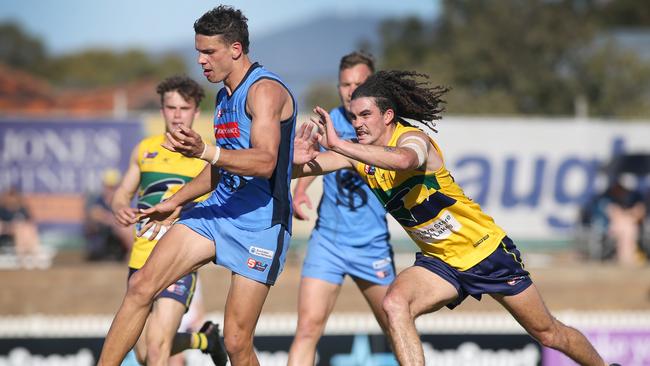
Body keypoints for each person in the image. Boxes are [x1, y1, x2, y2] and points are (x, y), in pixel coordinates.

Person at [293, 70, 612, 365]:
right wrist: (293, 159)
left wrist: (339, 144)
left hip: (484, 252)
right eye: (353, 116)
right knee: (394, 305)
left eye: (365, 115)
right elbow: (305, 167)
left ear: (388, 116)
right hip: (440, 262)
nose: (358, 123)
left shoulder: (412, 139)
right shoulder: (356, 154)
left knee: (548, 333)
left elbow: (404, 160)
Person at [98, 5, 296, 366]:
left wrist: (206, 149)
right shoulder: (223, 97)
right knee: (141, 286)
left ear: (235, 49)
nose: (201, 61)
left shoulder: (264, 91)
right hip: (217, 212)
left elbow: (265, 162)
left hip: (261, 224)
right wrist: (175, 201)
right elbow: (224, 168)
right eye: (198, 52)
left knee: (237, 342)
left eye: (208, 52)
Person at [288, 52, 395, 365]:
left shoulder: (386, 128)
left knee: (396, 325)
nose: (351, 91)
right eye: (345, 84)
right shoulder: (329, 122)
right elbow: (313, 161)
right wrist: (299, 192)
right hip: (328, 243)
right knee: (307, 329)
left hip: (371, 245)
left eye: (359, 83)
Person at [110, 75, 224, 365]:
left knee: (159, 348)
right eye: (170, 107)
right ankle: (205, 339)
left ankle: (203, 339)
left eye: (183, 108)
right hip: (141, 256)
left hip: (179, 259)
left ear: (196, 112)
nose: (176, 115)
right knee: (146, 352)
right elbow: (123, 191)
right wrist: (121, 205)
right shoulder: (145, 149)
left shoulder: (207, 155)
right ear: (161, 110)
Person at [84, 169, 132, 261]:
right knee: (122, 225)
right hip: (100, 238)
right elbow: (94, 214)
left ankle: (133, 252)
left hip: (117, 238)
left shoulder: (122, 201)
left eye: (114, 187)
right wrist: (111, 219)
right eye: (109, 187)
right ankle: (132, 252)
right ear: (104, 186)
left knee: (126, 225)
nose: (111, 190)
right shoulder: (98, 199)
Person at [0, 186, 43, 266]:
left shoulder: (22, 209)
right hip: (6, 230)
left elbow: (30, 221)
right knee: (20, 229)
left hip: (20, 232)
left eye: (13, 197)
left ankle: (33, 256)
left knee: (27, 230)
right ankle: (22, 259)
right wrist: (11, 226)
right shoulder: (2, 210)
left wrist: (21, 226)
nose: (11, 200)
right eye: (10, 197)